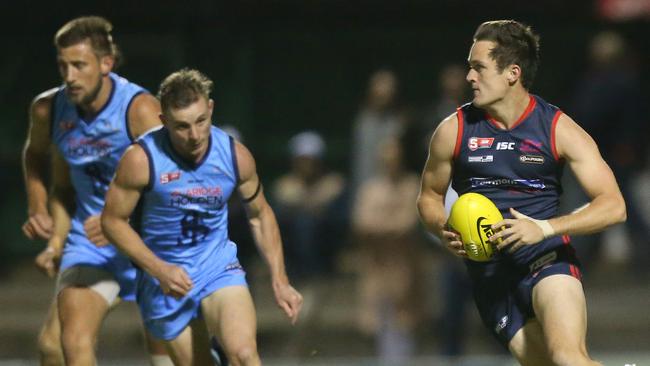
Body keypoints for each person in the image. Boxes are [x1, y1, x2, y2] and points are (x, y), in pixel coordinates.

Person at [416, 20, 626, 365]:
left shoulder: (557, 127)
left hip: (547, 259)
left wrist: (544, 228)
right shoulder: (452, 129)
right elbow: (428, 196)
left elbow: (614, 206)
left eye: (478, 67)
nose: (469, 77)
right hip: (490, 278)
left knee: (568, 359)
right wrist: (443, 228)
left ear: (512, 73)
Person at [101, 68, 303, 365]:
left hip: (217, 267)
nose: (195, 135)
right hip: (163, 278)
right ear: (163, 121)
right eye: (182, 126)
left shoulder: (235, 156)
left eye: (201, 121)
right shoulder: (141, 159)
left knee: (245, 355)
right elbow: (112, 222)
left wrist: (280, 278)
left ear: (210, 109)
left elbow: (260, 214)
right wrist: (158, 268)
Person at [21, 16, 171, 366]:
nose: (69, 76)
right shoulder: (49, 109)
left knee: (170, 357)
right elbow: (36, 157)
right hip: (92, 245)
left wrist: (123, 222)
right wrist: (38, 208)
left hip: (152, 243)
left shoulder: (140, 109)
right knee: (56, 347)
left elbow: (174, 181)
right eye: (62, 65)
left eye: (79, 65)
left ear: (106, 64)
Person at [271, 130, 345, 281]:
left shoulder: (333, 183)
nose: (307, 165)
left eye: (311, 160)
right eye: (302, 160)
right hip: (291, 257)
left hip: (326, 252)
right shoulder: (284, 185)